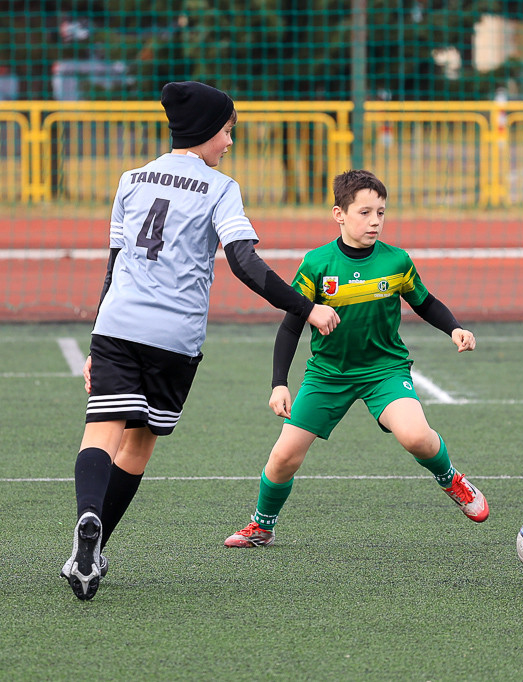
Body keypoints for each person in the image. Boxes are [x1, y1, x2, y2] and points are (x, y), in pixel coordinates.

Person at [62, 81, 342, 600]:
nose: (230, 142)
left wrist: (99, 335)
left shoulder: (131, 179)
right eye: (228, 131)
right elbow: (244, 263)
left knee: (101, 434)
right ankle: (97, 550)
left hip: (117, 325)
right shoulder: (220, 187)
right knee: (140, 446)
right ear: (209, 131)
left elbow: (115, 262)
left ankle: (88, 521)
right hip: (174, 338)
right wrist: (307, 307)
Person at [224, 169, 488, 550]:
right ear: (339, 214)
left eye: (381, 212)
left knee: (416, 437)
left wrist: (454, 328)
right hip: (327, 375)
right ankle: (262, 526)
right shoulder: (317, 264)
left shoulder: (396, 261)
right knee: (283, 457)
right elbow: (290, 327)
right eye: (365, 212)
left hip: (384, 370)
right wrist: (279, 382)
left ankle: (451, 479)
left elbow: (425, 303)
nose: (375, 221)